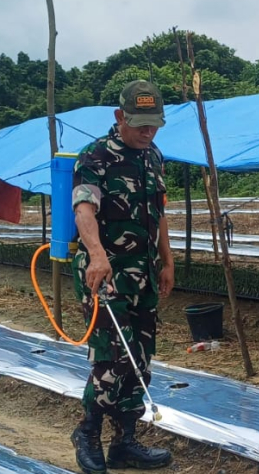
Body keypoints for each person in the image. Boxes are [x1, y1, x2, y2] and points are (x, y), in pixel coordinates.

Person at [70, 79, 174, 473]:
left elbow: (159, 212)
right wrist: (97, 255)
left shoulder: (154, 156)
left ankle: (125, 442)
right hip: (106, 276)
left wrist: (167, 260)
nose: (147, 131)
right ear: (120, 117)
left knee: (141, 359)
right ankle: (88, 433)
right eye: (140, 124)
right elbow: (84, 209)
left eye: (154, 124)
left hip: (143, 276)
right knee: (113, 358)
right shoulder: (96, 157)